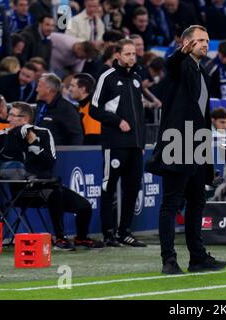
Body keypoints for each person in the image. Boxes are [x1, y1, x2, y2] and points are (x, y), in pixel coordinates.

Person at [146, 25, 226, 274]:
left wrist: (207, 158)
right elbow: (170, 65)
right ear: (187, 43)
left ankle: (197, 257)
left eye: (207, 40)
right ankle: (168, 260)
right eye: (200, 40)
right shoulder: (180, 65)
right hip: (177, 142)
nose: (205, 44)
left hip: (198, 142)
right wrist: (180, 53)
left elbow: (202, 115)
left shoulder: (203, 71)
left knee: (197, 201)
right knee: (171, 203)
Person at [0, 102, 104, 250]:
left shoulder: (43, 133)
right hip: (22, 191)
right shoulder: (1, 136)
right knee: (55, 193)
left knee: (84, 206)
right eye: (9, 114)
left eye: (12, 115)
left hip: (46, 185)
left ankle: (81, 238)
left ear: (24, 119)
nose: (8, 119)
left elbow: (49, 162)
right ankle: (59, 238)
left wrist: (33, 143)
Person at [90, 39, 147, 248]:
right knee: (109, 187)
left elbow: (140, 115)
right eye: (128, 54)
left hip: (134, 146)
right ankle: (108, 232)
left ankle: (125, 232)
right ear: (118, 56)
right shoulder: (107, 77)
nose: (132, 57)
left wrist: (141, 143)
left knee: (132, 188)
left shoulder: (137, 79)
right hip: (114, 144)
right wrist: (117, 121)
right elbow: (93, 109)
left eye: (134, 54)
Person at [35, 73, 84, 146]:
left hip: (60, 154)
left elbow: (76, 136)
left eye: (39, 86)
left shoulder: (66, 109)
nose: (36, 90)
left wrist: (73, 156)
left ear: (49, 89)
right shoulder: (40, 106)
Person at [69, 73, 101, 145]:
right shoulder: (80, 107)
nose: (70, 89)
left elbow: (93, 141)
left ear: (83, 89)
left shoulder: (93, 108)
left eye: (72, 86)